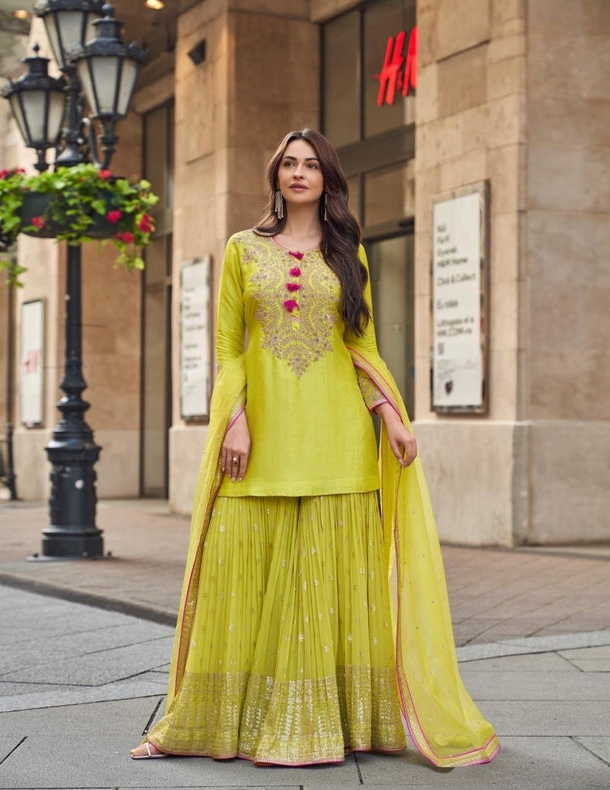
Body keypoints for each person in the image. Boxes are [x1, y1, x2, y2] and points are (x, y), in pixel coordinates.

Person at [130, 129, 499, 768]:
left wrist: (392, 416)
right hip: (263, 436)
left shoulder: (347, 253)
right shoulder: (243, 249)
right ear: (276, 176)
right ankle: (210, 719)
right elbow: (227, 345)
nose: (299, 173)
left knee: (327, 585)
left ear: (327, 178)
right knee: (242, 571)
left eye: (311, 165)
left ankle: (338, 723)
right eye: (289, 164)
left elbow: (361, 345)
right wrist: (236, 420)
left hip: (338, 437)